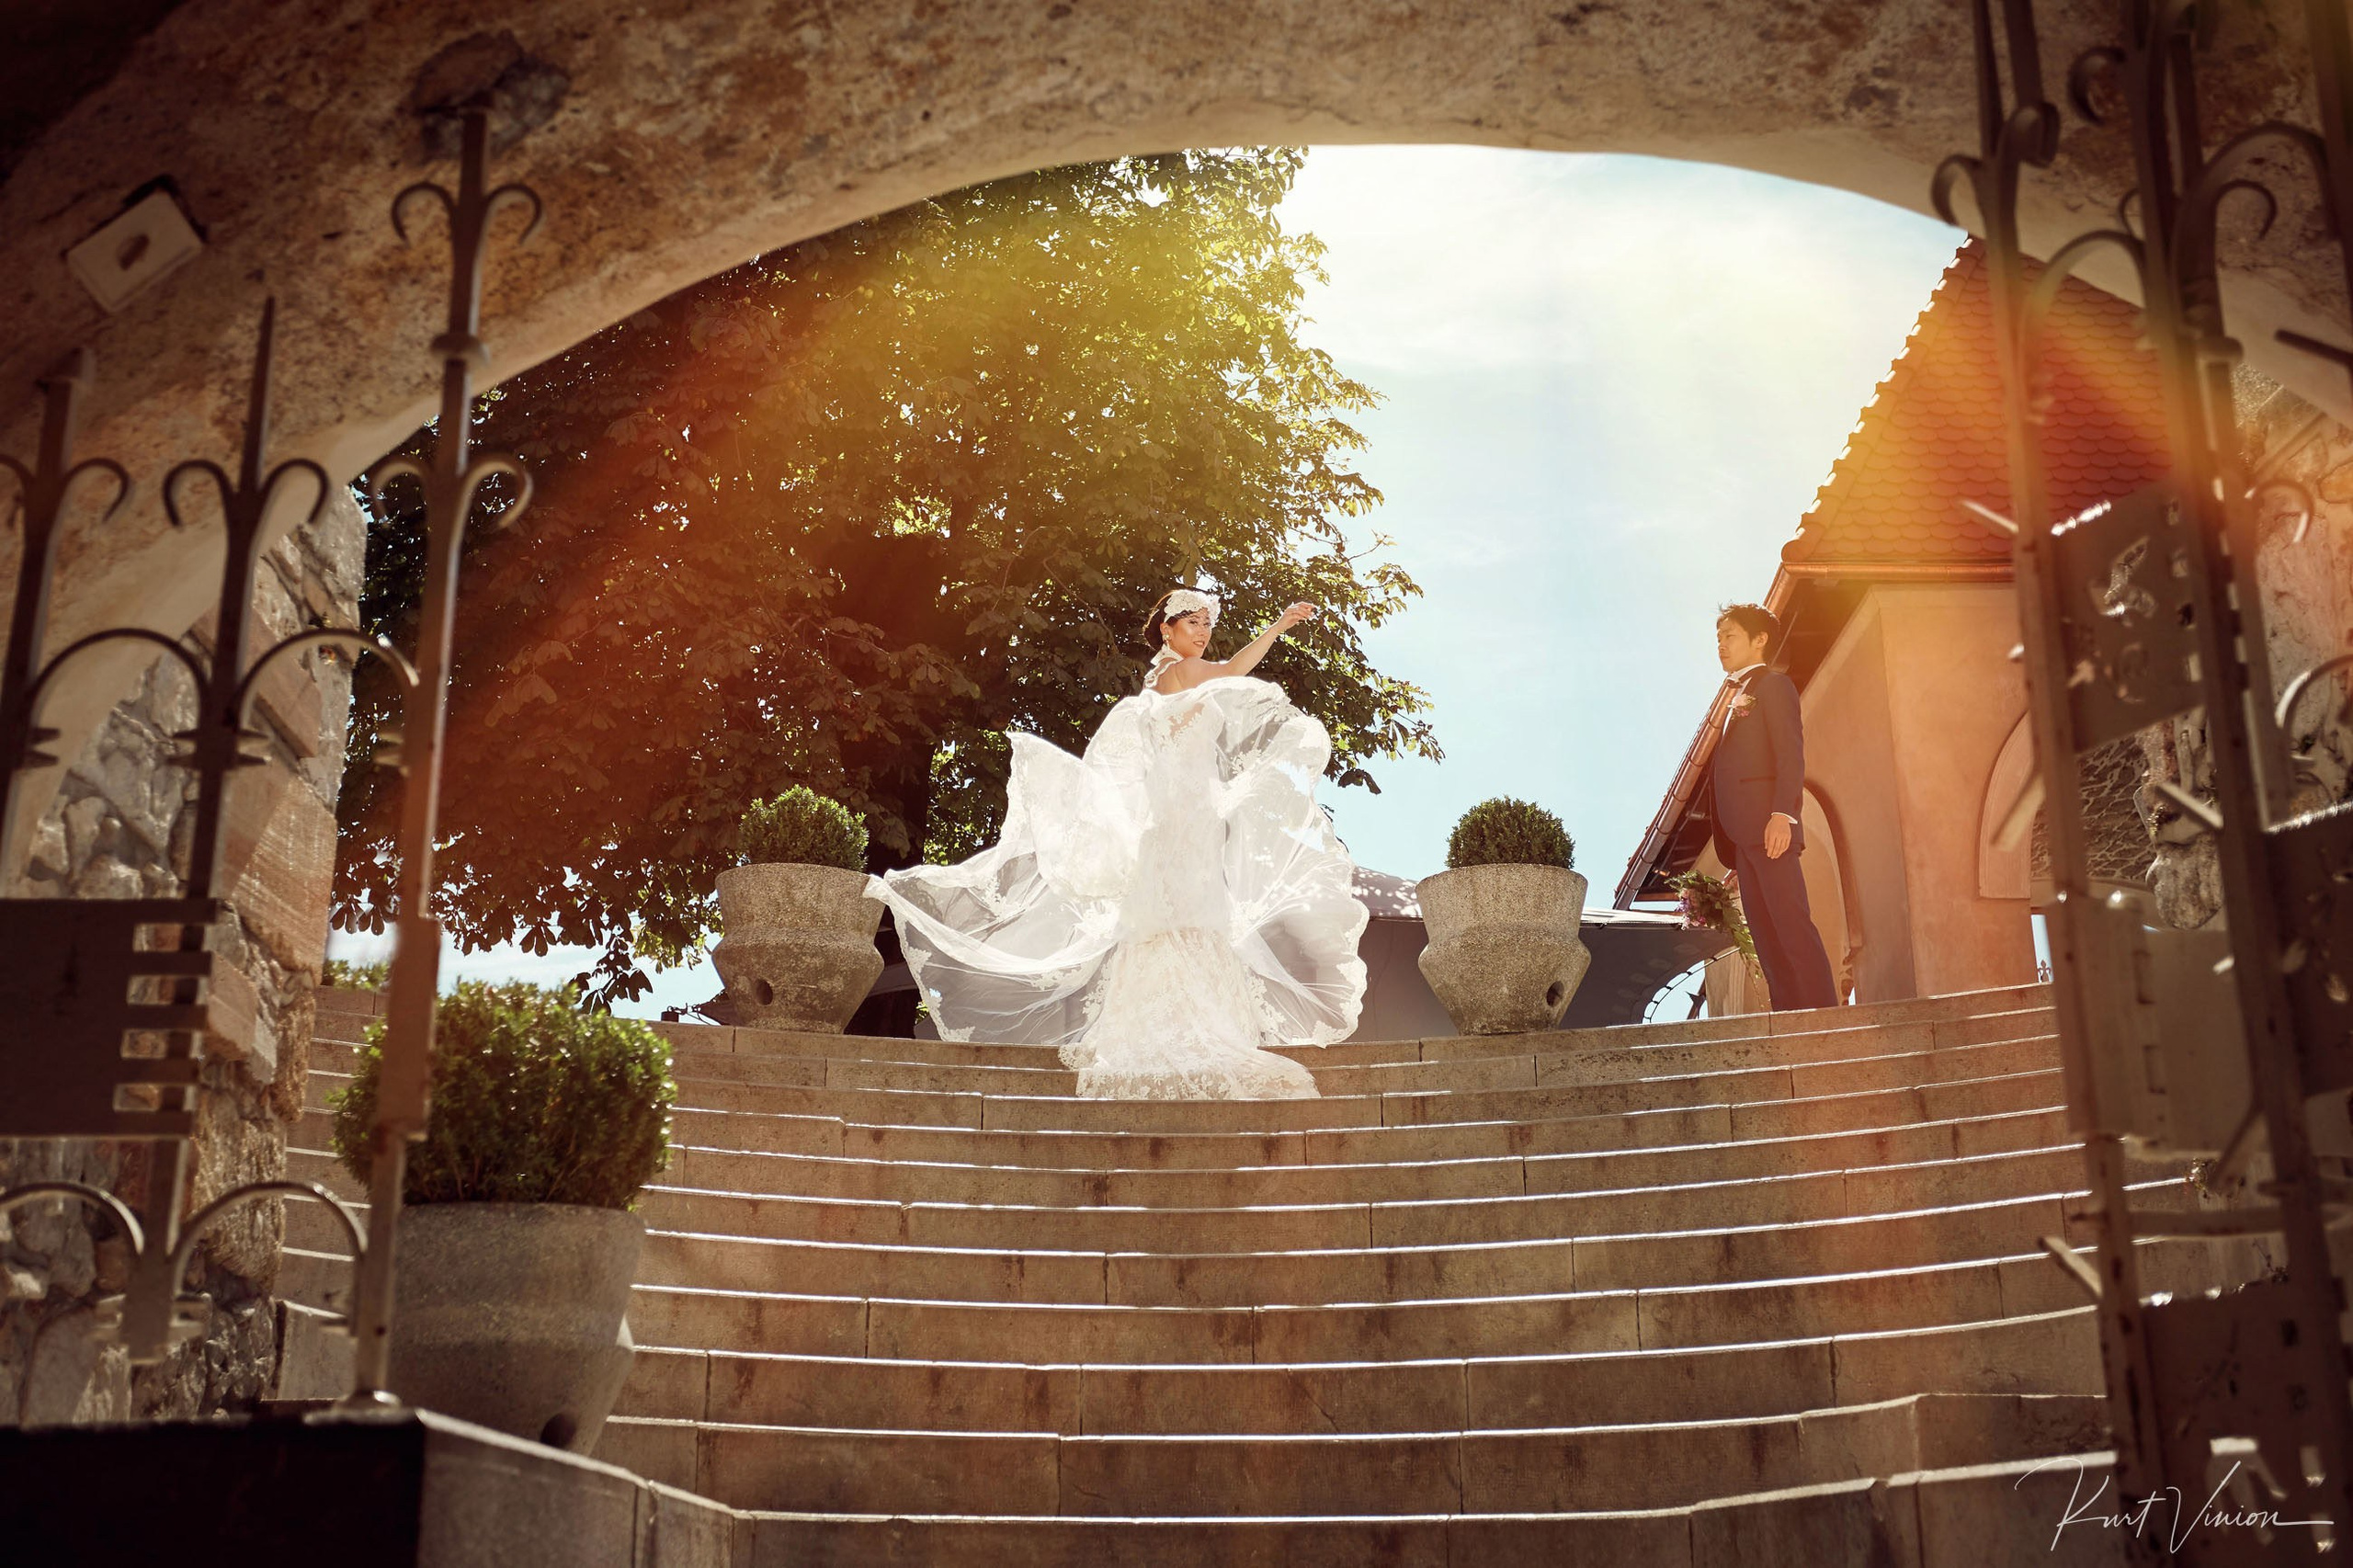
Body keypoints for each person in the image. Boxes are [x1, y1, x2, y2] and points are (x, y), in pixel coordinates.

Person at [868, 587, 1367, 1098]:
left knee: (1178, 919)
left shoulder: (1160, 681)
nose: (1201, 630)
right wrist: (1280, 626)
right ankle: (1184, 1027)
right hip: (1180, 819)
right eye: (1190, 622)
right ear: (1166, 631)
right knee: (1184, 919)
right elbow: (1235, 671)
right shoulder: (1180, 672)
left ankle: (1177, 1021)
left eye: (1205, 623)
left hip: (1186, 818)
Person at [1707, 603, 1841, 1011]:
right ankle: (1789, 1016)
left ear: (1759, 639)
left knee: (1790, 923)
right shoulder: (1741, 694)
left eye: (1729, 636)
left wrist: (1782, 814)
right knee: (1765, 933)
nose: (1721, 646)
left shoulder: (1773, 686)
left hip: (1772, 829)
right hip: (1745, 840)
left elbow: (1789, 754)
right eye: (1718, 639)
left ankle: (1821, 1014)